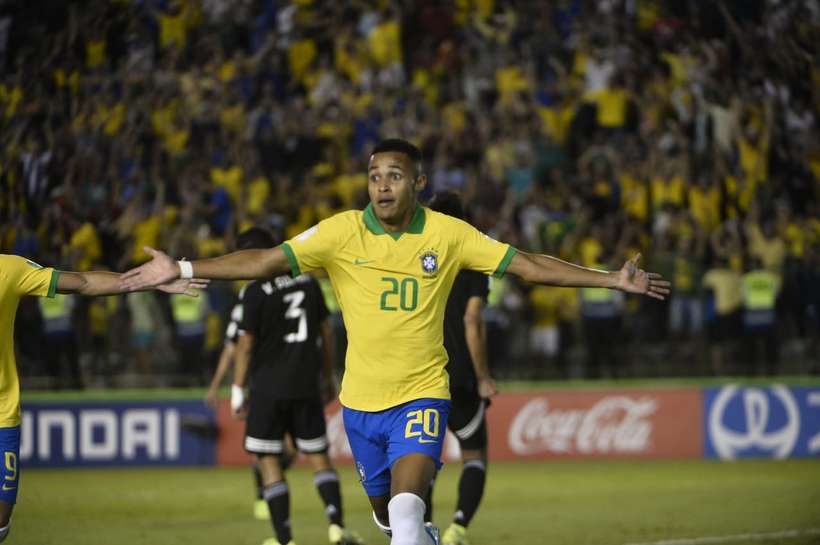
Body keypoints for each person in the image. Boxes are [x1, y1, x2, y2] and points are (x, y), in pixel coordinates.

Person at [121, 138, 670, 545]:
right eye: (374, 175)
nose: (382, 185)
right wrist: (185, 265)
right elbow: (263, 259)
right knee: (389, 519)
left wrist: (609, 279)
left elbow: (528, 266)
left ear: (419, 183)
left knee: (407, 512)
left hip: (422, 394)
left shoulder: (448, 235)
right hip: (361, 405)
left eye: (395, 176)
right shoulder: (339, 232)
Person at [0, 253, 205, 543]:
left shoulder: (7, 268)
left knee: (1, 523)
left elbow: (82, 282)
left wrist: (148, 281)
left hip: (2, 415)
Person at [228, 227, 362, 545]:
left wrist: (237, 388)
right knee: (319, 458)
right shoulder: (307, 281)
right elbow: (326, 332)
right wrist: (328, 376)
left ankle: (285, 539)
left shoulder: (255, 291)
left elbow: (245, 343)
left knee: (270, 461)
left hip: (267, 387)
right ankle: (336, 526)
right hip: (306, 383)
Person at [203, 229, 298, 522]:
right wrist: (219, 386)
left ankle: (269, 488)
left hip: (290, 377)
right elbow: (234, 346)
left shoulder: (288, 288)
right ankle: (263, 495)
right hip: (261, 380)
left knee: (289, 450)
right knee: (269, 446)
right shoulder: (249, 296)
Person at [425, 191, 497, 545]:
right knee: (474, 455)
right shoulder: (473, 260)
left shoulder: (415, 258)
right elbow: (472, 319)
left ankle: (418, 532)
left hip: (422, 375)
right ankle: (457, 528)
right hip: (461, 379)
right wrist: (482, 376)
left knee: (420, 459)